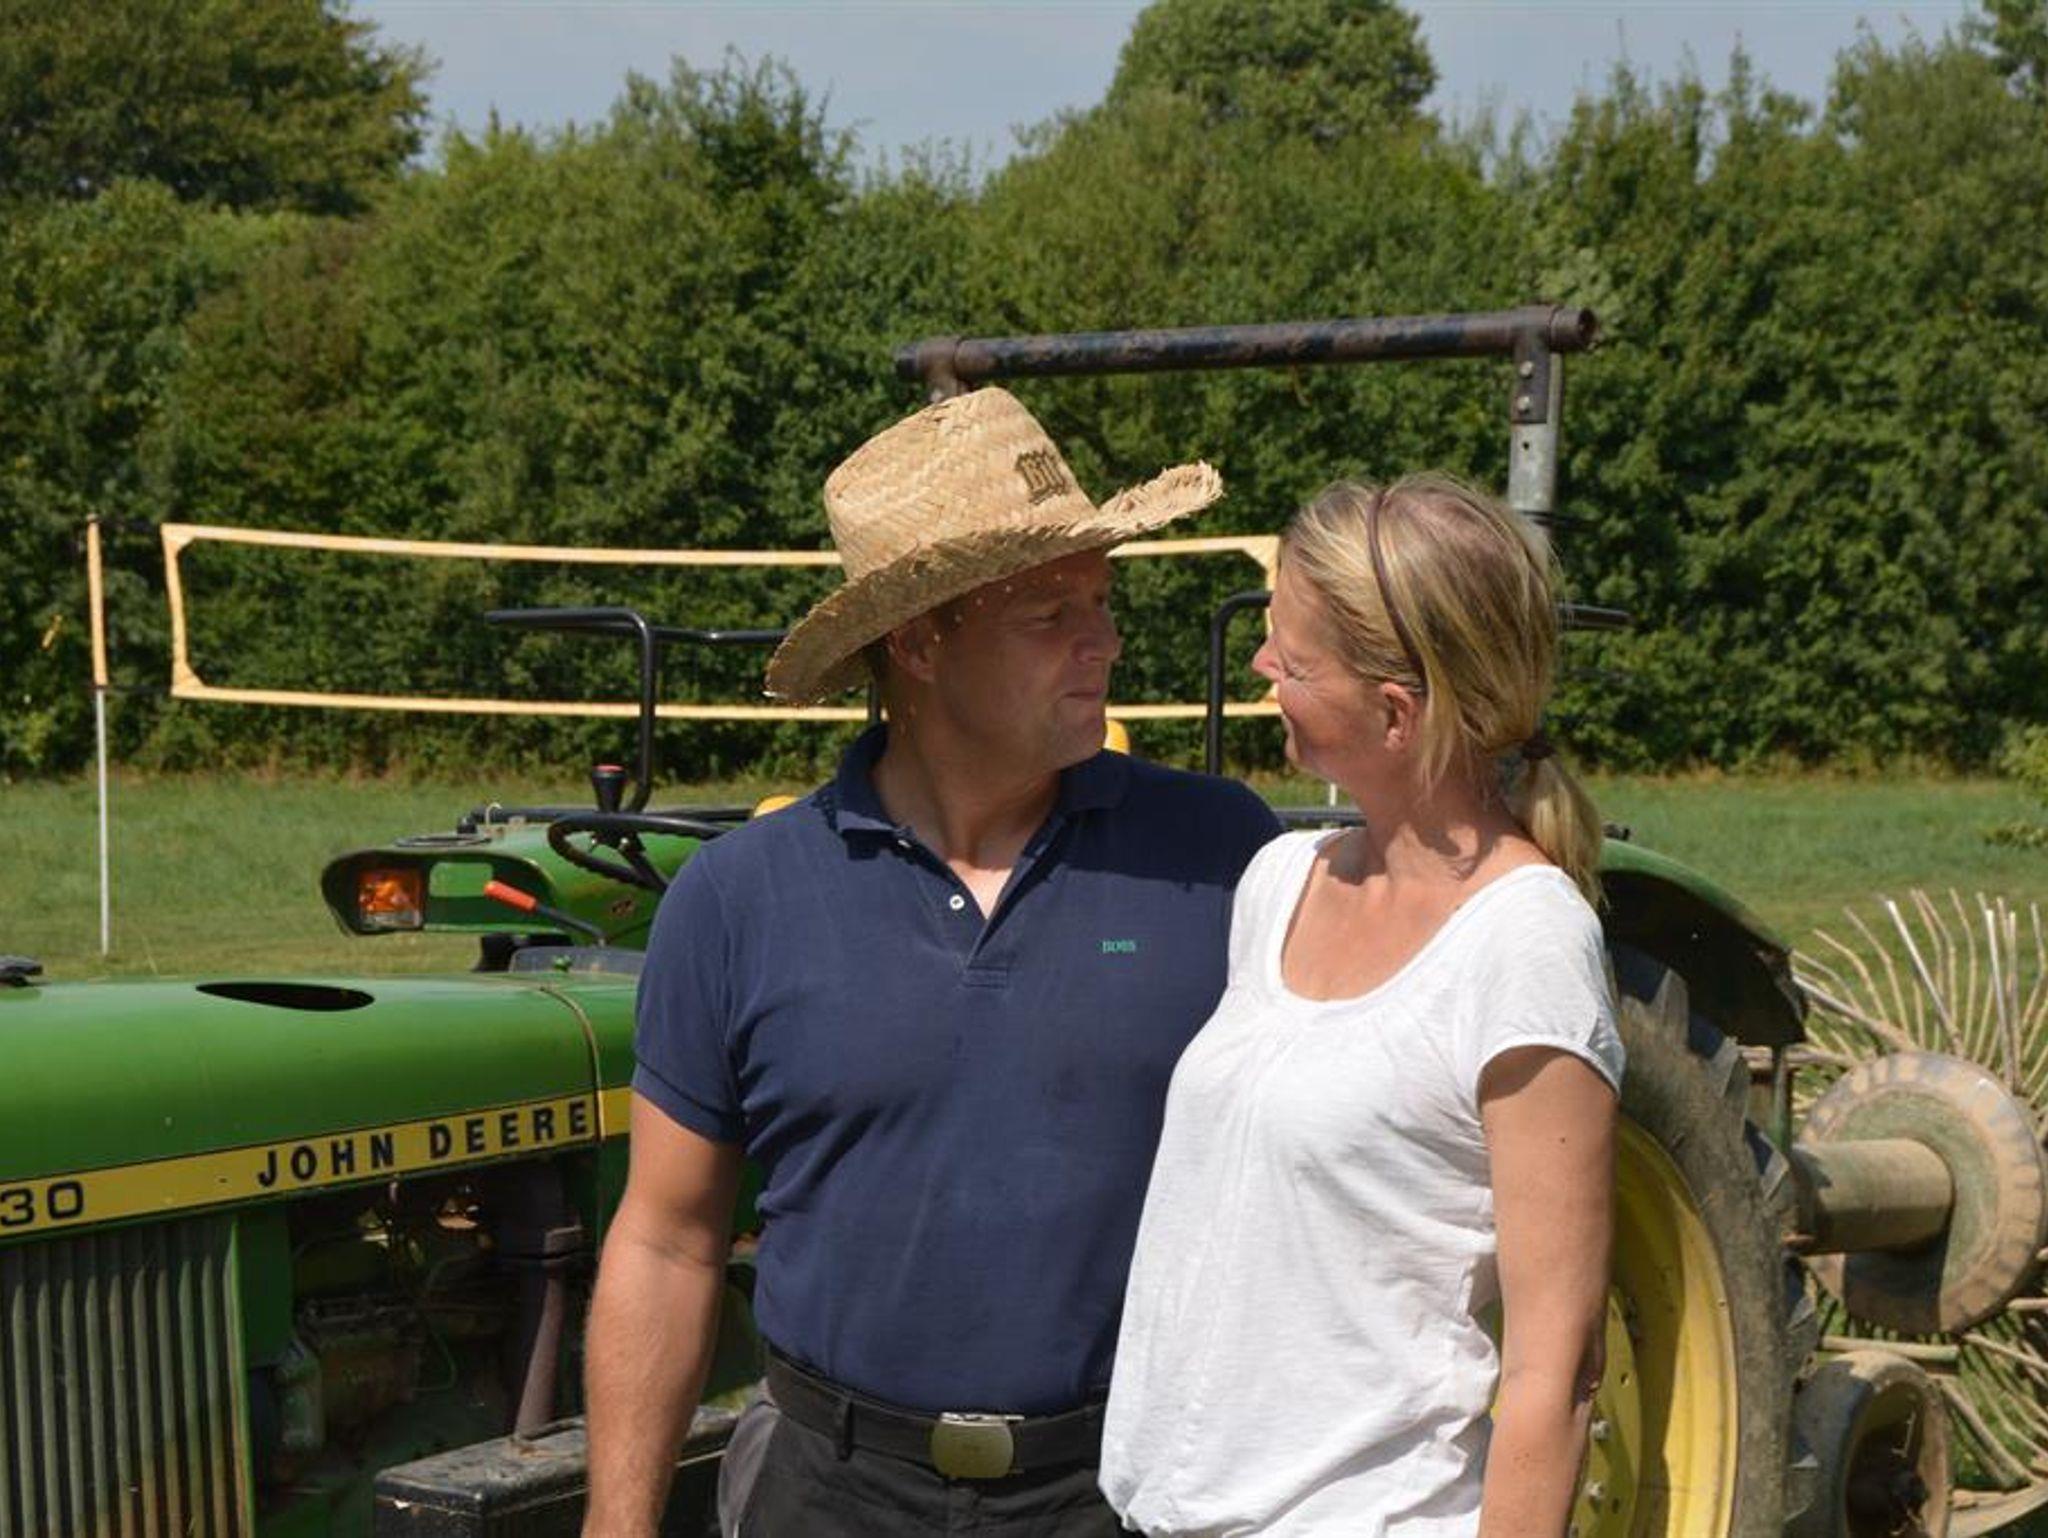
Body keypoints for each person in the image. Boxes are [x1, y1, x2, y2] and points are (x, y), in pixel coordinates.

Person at [581, 386, 1282, 1538]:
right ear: (915, 643)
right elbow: (664, 1239)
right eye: (1050, 611)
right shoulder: (737, 897)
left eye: (1100, 601)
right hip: (824, 1491)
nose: (1103, 641)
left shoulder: (1221, 853)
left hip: (1138, 1487)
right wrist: (618, 1526)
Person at [1100, 474, 1624, 1537]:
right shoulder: (1279, 882)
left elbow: (1556, 1366)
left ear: (1396, 713)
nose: (1260, 667)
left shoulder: (1524, 943)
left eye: (1292, 660)